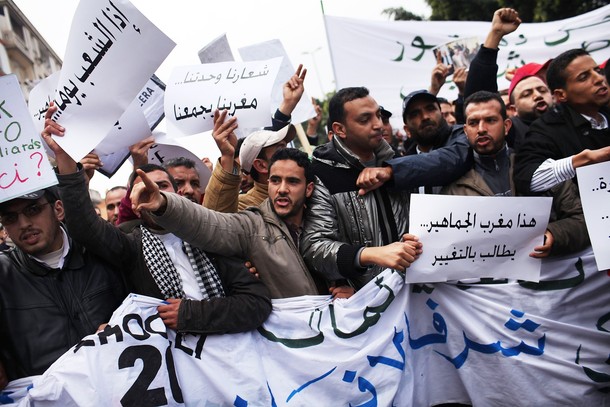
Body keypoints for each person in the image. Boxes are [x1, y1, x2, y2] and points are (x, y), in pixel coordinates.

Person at [42, 104, 272, 336]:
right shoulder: (130, 245)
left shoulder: (208, 236)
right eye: (144, 188)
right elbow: (83, 225)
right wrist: (65, 158)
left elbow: (256, 303)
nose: (153, 192)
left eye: (162, 186)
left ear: (177, 194)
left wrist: (190, 314)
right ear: (133, 203)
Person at [130, 147, 331, 299]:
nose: (282, 189)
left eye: (293, 181)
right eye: (275, 180)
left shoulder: (329, 218)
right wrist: (163, 204)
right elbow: (204, 223)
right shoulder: (251, 226)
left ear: (309, 189)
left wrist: (341, 285)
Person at [0, 187, 128, 384]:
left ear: (58, 209)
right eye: (10, 218)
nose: (24, 224)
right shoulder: (4, 275)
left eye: (33, 210)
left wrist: (124, 329)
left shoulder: (101, 251)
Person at [442, 91, 589, 257]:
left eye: (490, 120)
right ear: (465, 130)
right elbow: (443, 240)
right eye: (473, 123)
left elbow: (582, 219)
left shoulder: (540, 169)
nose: (481, 129)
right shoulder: (454, 188)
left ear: (506, 126)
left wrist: (554, 235)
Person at [301, 87, 422, 290]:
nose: (378, 125)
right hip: (364, 297)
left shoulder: (395, 163)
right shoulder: (322, 174)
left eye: (378, 115)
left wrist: (416, 238)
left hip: (412, 290)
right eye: (365, 119)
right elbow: (315, 248)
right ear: (340, 129)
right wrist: (367, 255)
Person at [204, 65, 307, 213]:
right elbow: (215, 217)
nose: (288, 153)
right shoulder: (245, 207)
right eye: (280, 150)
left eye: (285, 146)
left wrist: (288, 104)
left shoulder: (305, 189)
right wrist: (227, 156)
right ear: (261, 165)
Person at [514, 48, 610, 195]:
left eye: (598, 71)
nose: (598, 79)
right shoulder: (547, 129)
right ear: (561, 95)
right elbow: (527, 179)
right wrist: (580, 161)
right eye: (584, 77)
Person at [464, 8, 553, 152]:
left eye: (542, 90)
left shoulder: (572, 118)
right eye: (526, 94)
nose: (537, 95)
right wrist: (496, 34)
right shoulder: (514, 131)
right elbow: (479, 95)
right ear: (513, 109)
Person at [356, 89, 471, 196]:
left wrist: (391, 171)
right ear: (407, 130)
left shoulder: (462, 136)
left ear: (441, 115)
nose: (425, 117)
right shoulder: (403, 159)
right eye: (415, 114)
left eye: (430, 109)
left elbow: (452, 158)